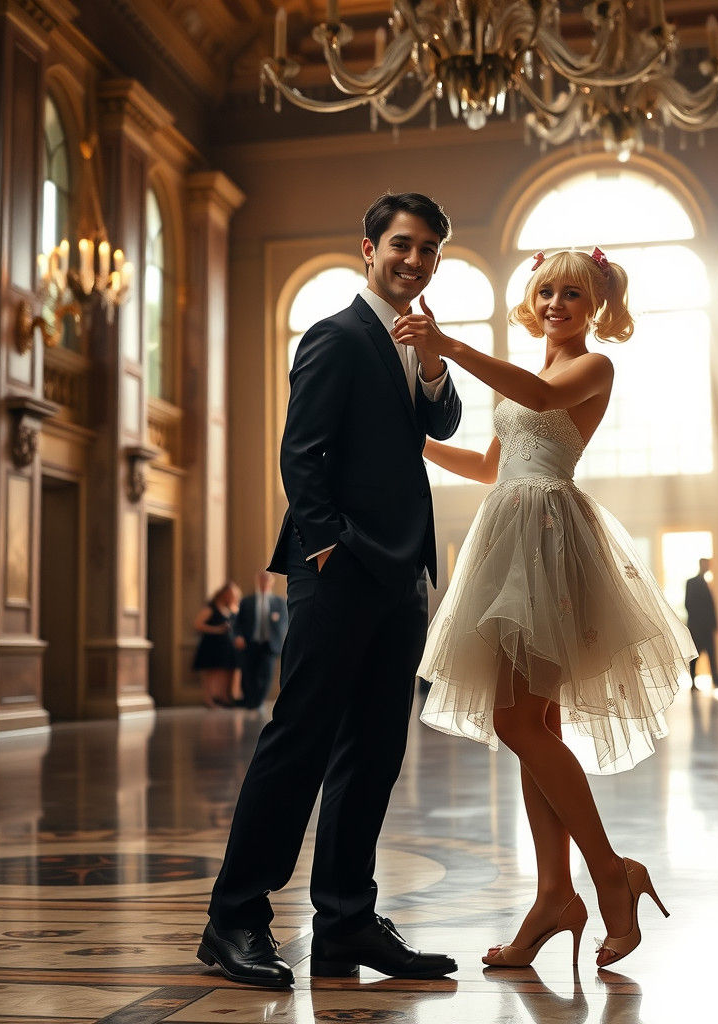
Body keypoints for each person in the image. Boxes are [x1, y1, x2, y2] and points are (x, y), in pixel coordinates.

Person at [392, 247, 696, 971]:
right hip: (511, 527)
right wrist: (420, 441)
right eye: (549, 290)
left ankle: (608, 873)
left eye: (574, 294)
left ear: (595, 308)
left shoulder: (592, 368)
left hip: (551, 537)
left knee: (516, 720)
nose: (558, 302)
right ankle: (555, 895)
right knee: (535, 723)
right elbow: (493, 466)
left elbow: (536, 397)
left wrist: (451, 346)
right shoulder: (527, 371)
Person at [198, 192, 462, 988]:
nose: (414, 260)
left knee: (375, 752)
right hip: (340, 571)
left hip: (402, 575)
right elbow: (301, 454)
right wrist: (324, 552)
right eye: (402, 245)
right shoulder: (335, 334)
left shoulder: (414, 340)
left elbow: (442, 425)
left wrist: (435, 361)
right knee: (299, 745)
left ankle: (345, 921)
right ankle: (234, 918)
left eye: (428, 251)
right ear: (370, 248)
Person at [233, 570, 288, 710]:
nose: (264, 582)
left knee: (266, 674)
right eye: (261, 579)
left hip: (270, 645)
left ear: (271, 582)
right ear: (257, 581)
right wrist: (238, 636)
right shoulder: (247, 601)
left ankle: (258, 702)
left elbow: (285, 623)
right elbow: (237, 623)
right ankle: (251, 701)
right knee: (249, 673)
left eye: (267, 580)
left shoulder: (279, 602)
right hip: (250, 643)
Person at [192, 582, 242, 709]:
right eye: (230, 595)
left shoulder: (232, 608)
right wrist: (217, 629)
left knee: (226, 671)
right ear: (223, 594)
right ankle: (209, 699)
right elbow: (197, 624)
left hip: (227, 647)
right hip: (212, 645)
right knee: (211, 673)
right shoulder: (211, 608)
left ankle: (224, 697)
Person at [684, 557, 718, 689]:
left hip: (708, 627)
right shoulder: (691, 582)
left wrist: (714, 623)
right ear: (701, 565)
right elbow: (689, 604)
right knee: (696, 655)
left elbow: (711, 607)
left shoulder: (708, 583)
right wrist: (699, 622)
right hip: (697, 627)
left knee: (712, 654)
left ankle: (716, 679)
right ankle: (693, 682)